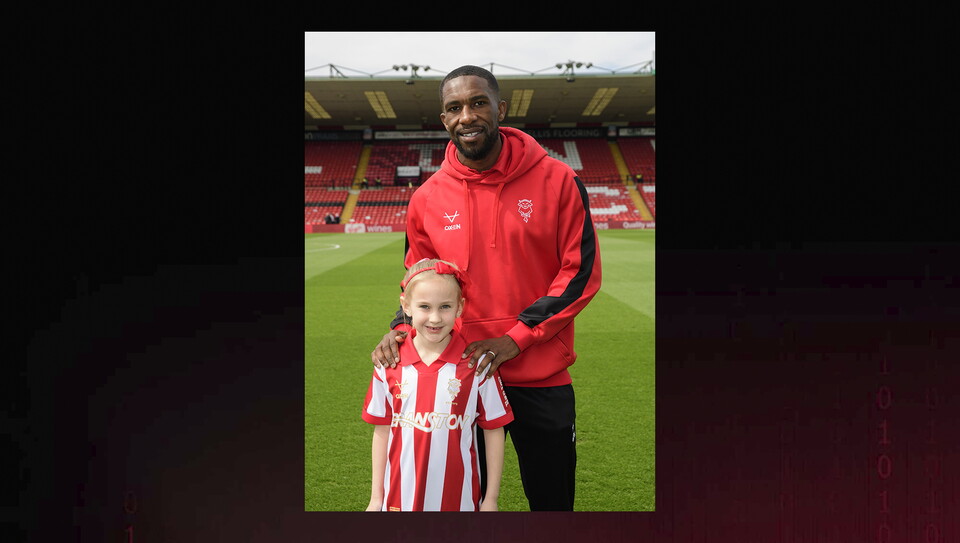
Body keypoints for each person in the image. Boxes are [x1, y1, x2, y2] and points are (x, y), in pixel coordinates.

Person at [370, 65, 602, 511]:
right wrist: (401, 329)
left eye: (478, 103)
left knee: (553, 503)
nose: (467, 116)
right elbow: (419, 279)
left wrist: (516, 339)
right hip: (460, 377)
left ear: (501, 108)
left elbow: (580, 275)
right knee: (462, 504)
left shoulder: (559, 181)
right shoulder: (426, 199)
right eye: (454, 108)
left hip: (541, 376)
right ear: (444, 120)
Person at [362, 259, 513, 511]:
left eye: (445, 306)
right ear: (406, 306)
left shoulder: (478, 365)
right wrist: (376, 499)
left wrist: (491, 500)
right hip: (400, 500)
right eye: (424, 306)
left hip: (459, 500)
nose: (434, 318)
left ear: (459, 307)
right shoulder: (388, 363)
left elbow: (494, 431)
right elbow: (382, 430)